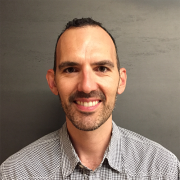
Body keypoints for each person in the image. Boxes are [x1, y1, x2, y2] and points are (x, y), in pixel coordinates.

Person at [0, 18, 180, 180]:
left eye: (101, 68)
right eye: (71, 69)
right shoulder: (15, 173)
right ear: (53, 82)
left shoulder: (164, 170)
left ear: (121, 80)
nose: (86, 86)